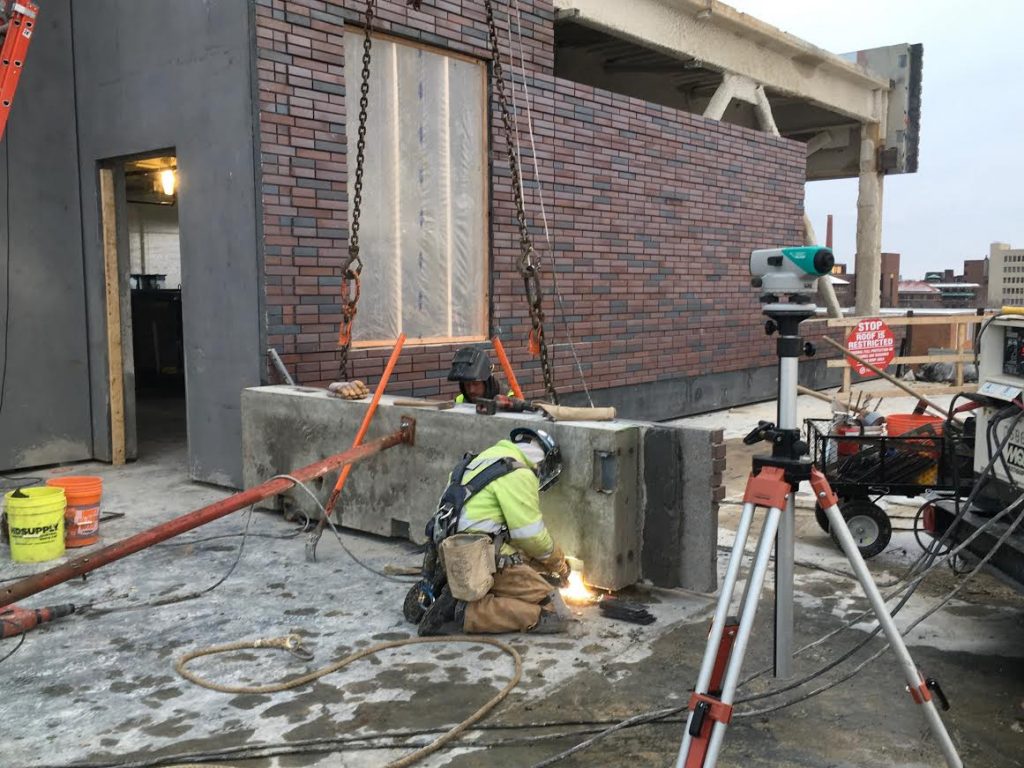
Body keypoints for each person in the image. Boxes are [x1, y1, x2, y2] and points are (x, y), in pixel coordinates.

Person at [406, 427, 571, 635]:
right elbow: (531, 537)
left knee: (524, 569)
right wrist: (559, 563)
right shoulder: (518, 473)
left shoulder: (479, 461)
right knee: (553, 606)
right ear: (543, 462)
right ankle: (469, 612)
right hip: (483, 560)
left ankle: (454, 590)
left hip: (451, 554)